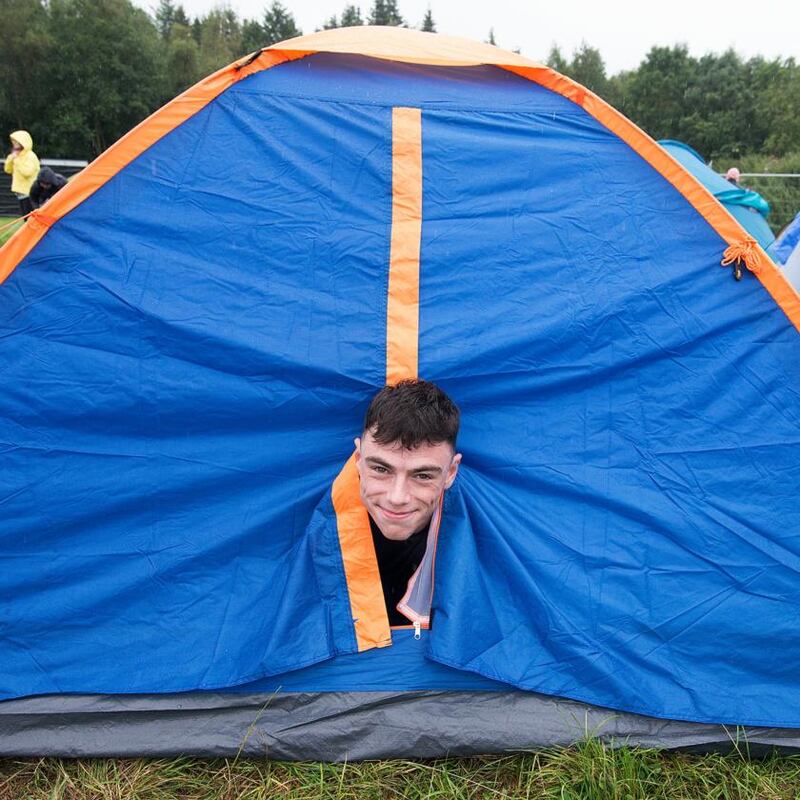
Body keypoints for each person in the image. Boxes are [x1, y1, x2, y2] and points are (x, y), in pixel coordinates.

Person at [354, 379, 461, 626]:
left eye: (422, 476)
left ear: (451, 472)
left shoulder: (474, 543)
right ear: (358, 459)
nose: (397, 497)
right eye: (381, 469)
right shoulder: (311, 530)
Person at [4, 131, 40, 216]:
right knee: (25, 217)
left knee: (30, 217)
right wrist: (11, 158)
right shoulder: (16, 155)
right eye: (13, 141)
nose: (14, 143)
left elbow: (27, 173)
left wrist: (16, 160)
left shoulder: (30, 156)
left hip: (29, 192)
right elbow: (8, 170)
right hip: (20, 192)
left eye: (16, 141)